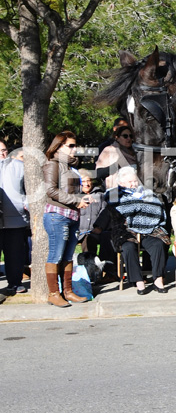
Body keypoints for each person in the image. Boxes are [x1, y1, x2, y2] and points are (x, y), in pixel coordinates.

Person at [92, 167, 169, 294]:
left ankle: (158, 279)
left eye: (135, 181)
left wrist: (135, 207)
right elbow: (121, 209)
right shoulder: (113, 193)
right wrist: (141, 205)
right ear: (121, 183)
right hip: (125, 229)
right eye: (130, 182)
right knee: (128, 247)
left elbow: (157, 209)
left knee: (158, 245)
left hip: (149, 228)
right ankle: (138, 281)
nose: (134, 184)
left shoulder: (147, 192)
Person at [42, 131, 94, 307]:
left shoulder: (71, 167)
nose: (75, 149)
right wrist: (76, 200)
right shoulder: (52, 164)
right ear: (58, 146)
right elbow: (50, 190)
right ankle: (53, 293)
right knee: (55, 255)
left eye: (75, 145)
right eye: (70, 146)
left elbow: (72, 192)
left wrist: (84, 199)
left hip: (72, 216)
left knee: (68, 256)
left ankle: (68, 291)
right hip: (57, 215)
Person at [1, 143, 29, 295]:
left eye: (4, 150)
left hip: (16, 219)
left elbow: (29, 189)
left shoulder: (19, 166)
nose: (2, 154)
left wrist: (25, 203)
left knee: (15, 255)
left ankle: (15, 283)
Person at [95, 124, 138, 190]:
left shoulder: (137, 152)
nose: (129, 139)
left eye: (131, 136)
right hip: (115, 192)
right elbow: (98, 173)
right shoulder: (109, 150)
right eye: (125, 136)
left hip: (136, 190)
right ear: (117, 137)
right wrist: (117, 165)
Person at [76, 169, 106, 258]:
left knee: (90, 240)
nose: (86, 184)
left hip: (95, 231)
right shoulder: (75, 197)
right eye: (83, 181)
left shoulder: (100, 195)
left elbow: (104, 212)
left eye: (88, 181)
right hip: (79, 232)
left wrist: (99, 227)